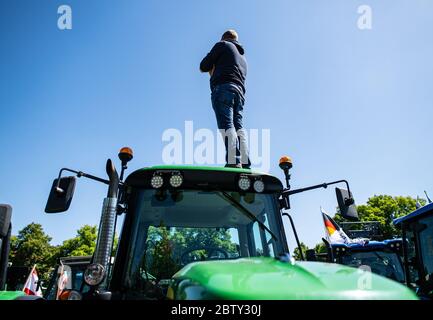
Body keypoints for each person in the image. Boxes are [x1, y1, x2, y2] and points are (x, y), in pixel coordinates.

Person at [200, 30, 251, 168]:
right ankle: (245, 162)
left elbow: (203, 66)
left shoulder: (222, 45)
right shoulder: (243, 59)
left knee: (227, 125)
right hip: (240, 93)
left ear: (224, 38)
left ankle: (234, 161)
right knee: (239, 126)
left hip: (223, 88)